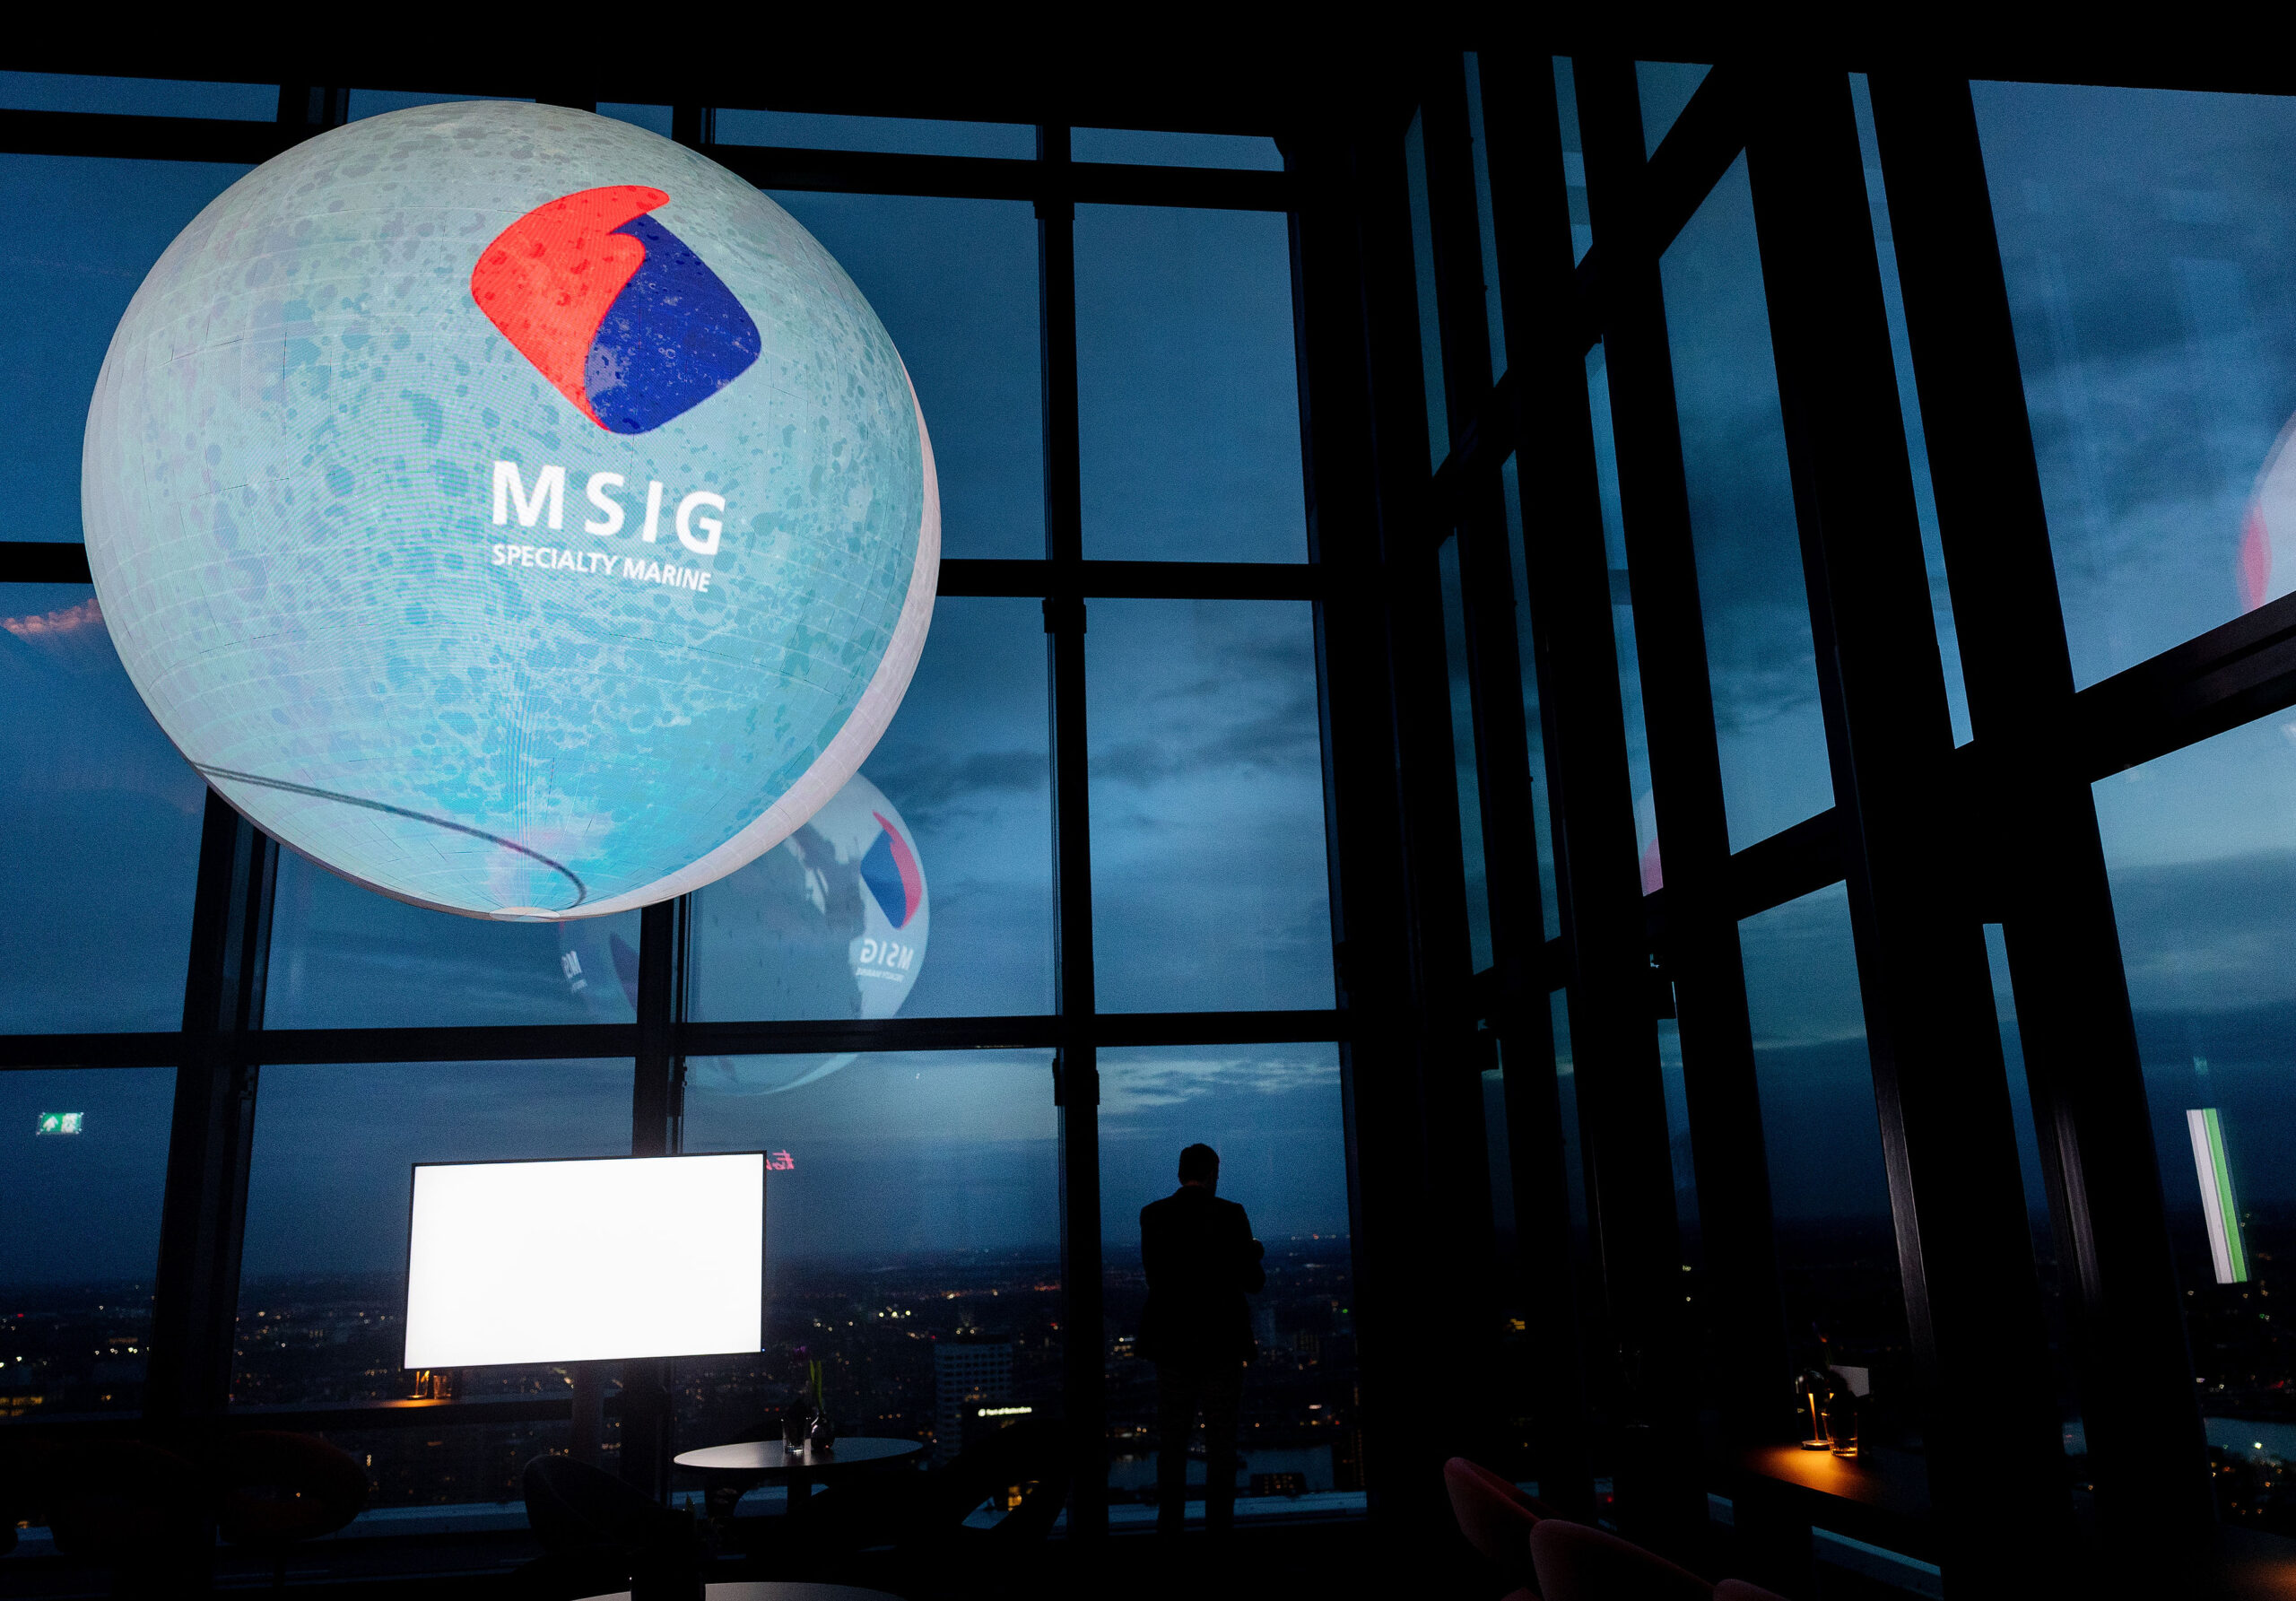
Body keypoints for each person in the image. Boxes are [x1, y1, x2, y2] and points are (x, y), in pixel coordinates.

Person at [1138, 1143, 1265, 1540]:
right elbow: (1253, 1282)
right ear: (1212, 1174)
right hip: (1221, 1346)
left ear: (1181, 1174)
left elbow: (1156, 1279)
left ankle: (1169, 1530)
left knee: (1173, 1443)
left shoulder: (1153, 1215)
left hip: (1172, 1346)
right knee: (1221, 1445)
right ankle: (1218, 1534)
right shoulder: (1231, 1214)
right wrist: (1251, 1252)